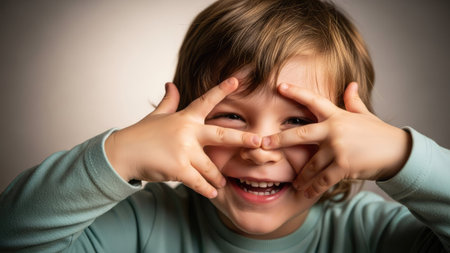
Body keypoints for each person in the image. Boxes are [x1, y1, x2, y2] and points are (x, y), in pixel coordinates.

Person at [0, 0, 449, 252]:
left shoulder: (376, 236)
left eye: (298, 123)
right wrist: (120, 154)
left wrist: (401, 156)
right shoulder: (142, 224)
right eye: (230, 116)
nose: (260, 149)